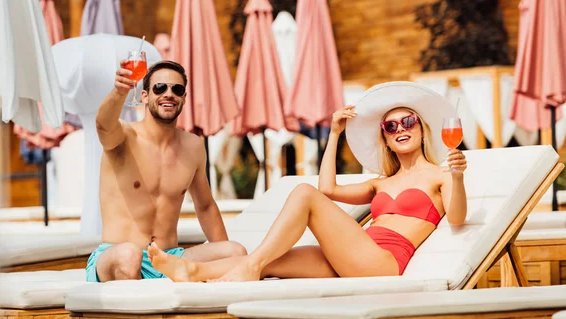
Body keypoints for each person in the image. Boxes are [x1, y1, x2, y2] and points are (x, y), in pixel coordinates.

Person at [147, 82, 467, 282]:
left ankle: (247, 268)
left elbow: (455, 217)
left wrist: (457, 176)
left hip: (382, 263)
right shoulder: (381, 183)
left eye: (408, 121)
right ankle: (192, 271)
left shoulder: (441, 175)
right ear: (385, 137)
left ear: (422, 128)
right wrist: (335, 134)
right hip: (353, 255)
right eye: (391, 125)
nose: (400, 128)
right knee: (273, 261)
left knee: (304, 193)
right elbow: (328, 189)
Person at [86, 60, 247, 284]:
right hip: (116, 254)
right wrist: (119, 92)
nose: (169, 94)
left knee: (235, 252)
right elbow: (103, 126)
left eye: (177, 89)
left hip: (169, 257)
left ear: (184, 98)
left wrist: (225, 265)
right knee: (129, 255)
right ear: (144, 96)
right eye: (160, 88)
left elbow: (206, 206)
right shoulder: (124, 137)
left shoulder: (193, 146)